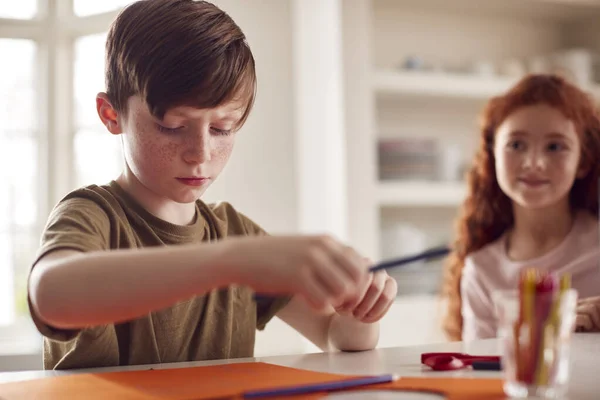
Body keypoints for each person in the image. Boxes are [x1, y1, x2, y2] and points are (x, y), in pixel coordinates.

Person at [27, 0, 397, 370]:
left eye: (222, 128)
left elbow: (334, 336)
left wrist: (362, 313)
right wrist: (233, 262)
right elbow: (49, 295)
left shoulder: (234, 233)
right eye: (172, 126)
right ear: (112, 115)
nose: (200, 153)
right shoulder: (93, 215)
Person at [441, 74, 600, 342]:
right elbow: (481, 374)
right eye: (516, 145)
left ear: (582, 162)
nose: (533, 163)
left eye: (554, 147)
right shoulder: (481, 271)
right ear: (492, 157)